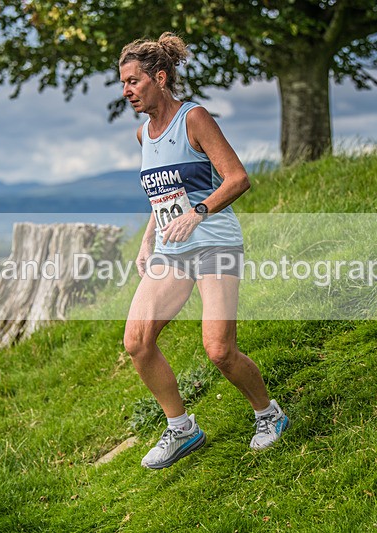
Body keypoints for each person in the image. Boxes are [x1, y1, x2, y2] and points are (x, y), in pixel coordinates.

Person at [119, 32, 289, 470]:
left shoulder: (193, 118)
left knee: (218, 350)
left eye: (134, 81)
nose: (127, 90)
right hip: (172, 251)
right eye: (123, 83)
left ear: (160, 78)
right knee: (137, 342)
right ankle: (182, 428)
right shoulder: (144, 135)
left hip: (215, 243)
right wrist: (148, 236)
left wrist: (199, 212)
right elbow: (161, 195)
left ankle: (269, 414)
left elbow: (237, 178)